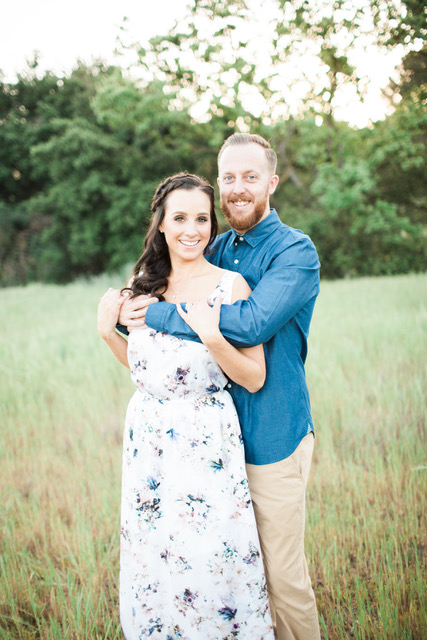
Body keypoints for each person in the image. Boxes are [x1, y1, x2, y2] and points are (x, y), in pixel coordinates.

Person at [118, 134, 322, 640]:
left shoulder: (294, 251)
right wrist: (123, 319)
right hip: (210, 445)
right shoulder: (218, 246)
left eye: (250, 177)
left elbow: (250, 323)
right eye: (228, 177)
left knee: (282, 581)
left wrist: (156, 313)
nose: (237, 188)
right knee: (223, 578)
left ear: (271, 183)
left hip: (270, 437)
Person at [97, 172, 274, 640]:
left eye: (201, 218)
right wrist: (105, 332)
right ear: (160, 225)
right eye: (179, 218)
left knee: (210, 559)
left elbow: (254, 377)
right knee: (156, 561)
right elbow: (147, 373)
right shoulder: (142, 285)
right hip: (148, 443)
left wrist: (213, 337)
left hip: (206, 441)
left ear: (212, 225)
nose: (191, 229)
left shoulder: (230, 285)